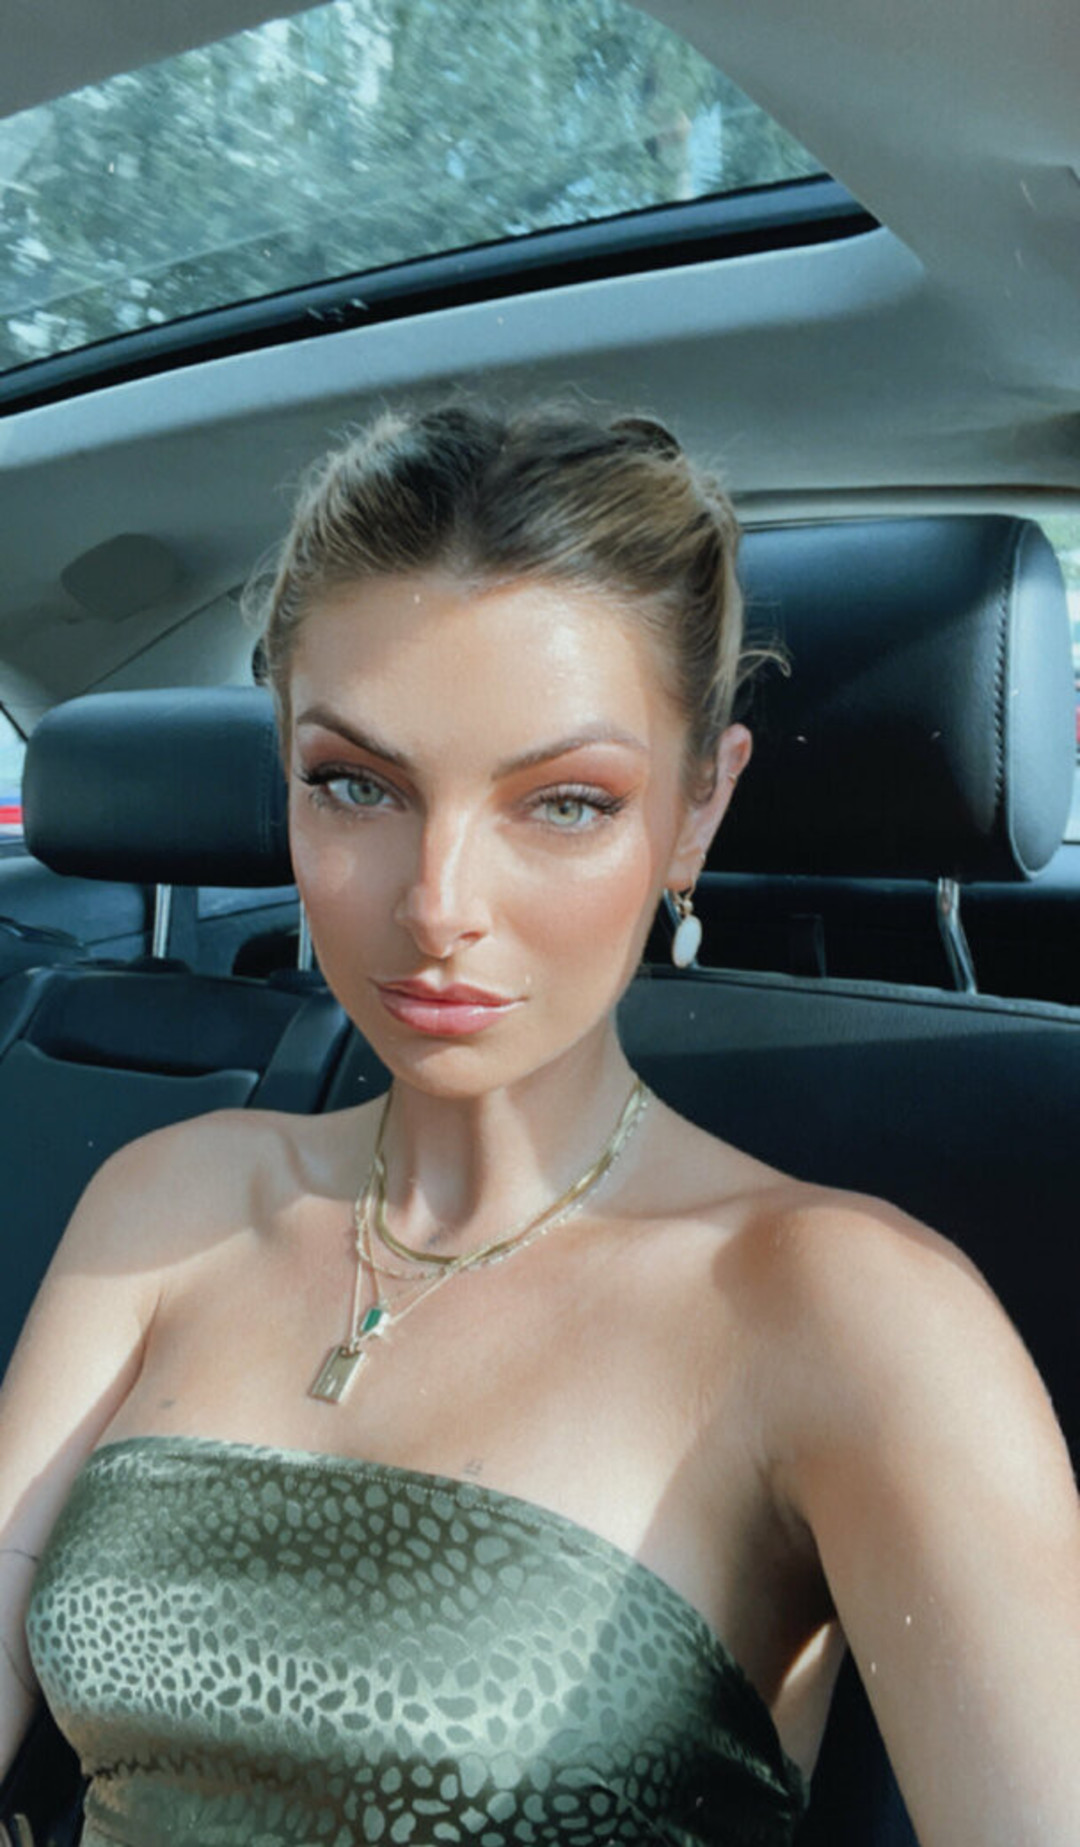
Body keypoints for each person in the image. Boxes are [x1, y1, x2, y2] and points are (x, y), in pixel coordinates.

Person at [1, 401, 1077, 1847]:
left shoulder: (847, 1312)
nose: (436, 904)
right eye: (356, 786)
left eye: (565, 803)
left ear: (698, 808)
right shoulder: (167, 1204)